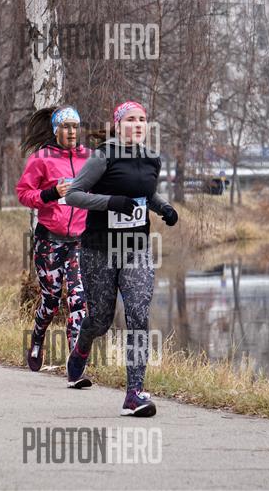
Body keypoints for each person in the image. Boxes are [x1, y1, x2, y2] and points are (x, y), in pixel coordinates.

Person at [65, 101, 179, 416]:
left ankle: (134, 394)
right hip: (99, 249)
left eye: (142, 119)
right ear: (118, 125)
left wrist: (164, 208)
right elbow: (73, 194)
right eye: (130, 119)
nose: (137, 124)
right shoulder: (103, 156)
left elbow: (146, 195)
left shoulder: (152, 158)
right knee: (101, 320)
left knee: (139, 315)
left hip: (136, 248)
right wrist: (111, 202)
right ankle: (82, 346)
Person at [16, 106, 89, 376]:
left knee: (79, 299)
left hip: (79, 242)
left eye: (75, 126)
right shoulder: (41, 159)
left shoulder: (89, 158)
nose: (71, 131)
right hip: (49, 240)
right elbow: (24, 194)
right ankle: (37, 338)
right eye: (65, 127)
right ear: (56, 130)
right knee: (51, 301)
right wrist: (50, 193)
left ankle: (75, 363)